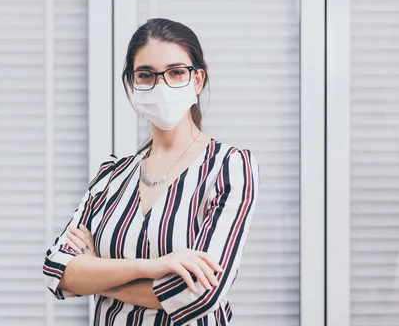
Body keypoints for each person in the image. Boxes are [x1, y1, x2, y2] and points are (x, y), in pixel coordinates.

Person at [43, 18, 259, 325]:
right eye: (146, 75)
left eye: (175, 72)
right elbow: (57, 270)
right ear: (132, 83)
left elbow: (201, 294)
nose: (161, 85)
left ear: (197, 80)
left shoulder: (229, 167)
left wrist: (96, 270)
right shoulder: (111, 177)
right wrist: (154, 267)